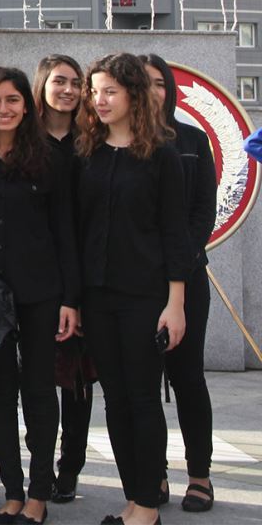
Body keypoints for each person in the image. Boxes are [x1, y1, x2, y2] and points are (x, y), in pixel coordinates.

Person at [0, 68, 80, 525]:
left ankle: (38, 495)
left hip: (40, 292)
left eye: (12, 100)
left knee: (39, 391)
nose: (4, 109)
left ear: (27, 105)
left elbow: (65, 231)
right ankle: (11, 491)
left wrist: (71, 299)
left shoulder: (48, 158)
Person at [76, 53, 191, 525]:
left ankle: (147, 505)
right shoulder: (87, 153)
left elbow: (175, 233)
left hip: (145, 297)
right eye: (95, 92)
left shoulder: (162, 155)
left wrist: (176, 304)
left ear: (133, 95)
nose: (100, 100)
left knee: (143, 399)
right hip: (97, 296)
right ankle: (132, 501)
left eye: (110, 91)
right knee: (116, 400)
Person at [142, 54, 218, 513]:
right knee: (143, 385)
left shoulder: (192, 140)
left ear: (169, 90)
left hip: (186, 279)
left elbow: (202, 213)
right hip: (137, 284)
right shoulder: (121, 143)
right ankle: (155, 472)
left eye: (158, 83)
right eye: (142, 83)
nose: (151, 91)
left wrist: (177, 267)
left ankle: (200, 476)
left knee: (188, 378)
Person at [31, 53, 89, 504]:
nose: (68, 90)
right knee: (37, 379)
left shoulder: (91, 141)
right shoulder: (27, 141)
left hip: (86, 271)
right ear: (43, 85)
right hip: (37, 275)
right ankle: (40, 463)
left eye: (75, 82)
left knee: (78, 379)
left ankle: (70, 467)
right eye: (59, 81)